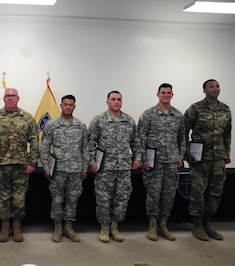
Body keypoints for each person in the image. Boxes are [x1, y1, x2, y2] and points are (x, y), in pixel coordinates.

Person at [0, 87, 39, 242]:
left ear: (18, 98)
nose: (10, 98)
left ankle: (17, 226)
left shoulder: (27, 118)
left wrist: (32, 162)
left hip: (21, 166)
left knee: (19, 198)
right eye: (7, 96)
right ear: (4, 99)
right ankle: (5, 226)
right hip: (1, 166)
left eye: (13, 96)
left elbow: (34, 140)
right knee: (2, 198)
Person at [89, 90, 142, 243]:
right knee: (104, 199)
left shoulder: (129, 121)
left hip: (124, 168)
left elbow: (136, 142)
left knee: (121, 199)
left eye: (119, 99)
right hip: (104, 168)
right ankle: (104, 228)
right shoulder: (99, 120)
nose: (116, 102)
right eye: (113, 99)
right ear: (107, 102)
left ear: (121, 102)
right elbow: (90, 142)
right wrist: (92, 162)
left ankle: (115, 227)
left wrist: (137, 158)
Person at [184, 79, 231, 241]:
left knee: (215, 192)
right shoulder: (195, 109)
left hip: (218, 158)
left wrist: (227, 152)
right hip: (199, 160)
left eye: (217, 86)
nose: (215, 89)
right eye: (211, 87)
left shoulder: (225, 109)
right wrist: (186, 152)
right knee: (199, 191)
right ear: (204, 90)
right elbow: (183, 132)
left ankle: (207, 223)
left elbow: (227, 134)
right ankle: (197, 225)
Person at [138, 83, 186, 241]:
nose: (166, 95)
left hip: (172, 162)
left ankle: (163, 225)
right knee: (153, 194)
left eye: (169, 93)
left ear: (172, 95)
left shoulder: (178, 115)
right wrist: (144, 158)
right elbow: (141, 138)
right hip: (154, 163)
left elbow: (182, 138)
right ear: (157, 94)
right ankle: (152, 225)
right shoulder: (149, 114)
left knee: (168, 195)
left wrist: (180, 156)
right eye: (163, 92)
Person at [40, 95, 89, 243]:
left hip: (75, 170)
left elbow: (85, 148)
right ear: (61, 106)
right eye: (65, 104)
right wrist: (46, 167)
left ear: (74, 107)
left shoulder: (80, 125)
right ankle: (58, 228)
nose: (68, 107)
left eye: (71, 105)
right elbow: (44, 148)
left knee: (72, 199)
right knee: (57, 199)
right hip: (58, 170)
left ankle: (68, 227)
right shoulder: (52, 125)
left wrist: (84, 168)